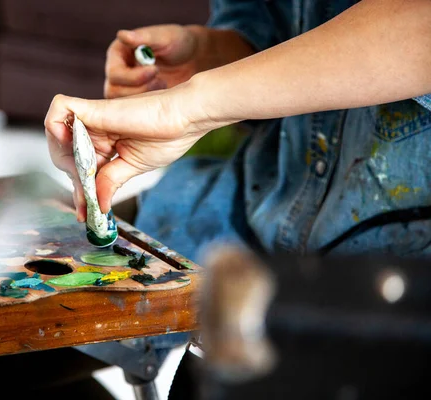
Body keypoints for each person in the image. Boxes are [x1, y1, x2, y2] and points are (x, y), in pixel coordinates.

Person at [44, 0, 431, 398]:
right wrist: (210, 52)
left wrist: (194, 105)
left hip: (396, 280)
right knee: (1, 340)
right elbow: (273, 23)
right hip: (250, 205)